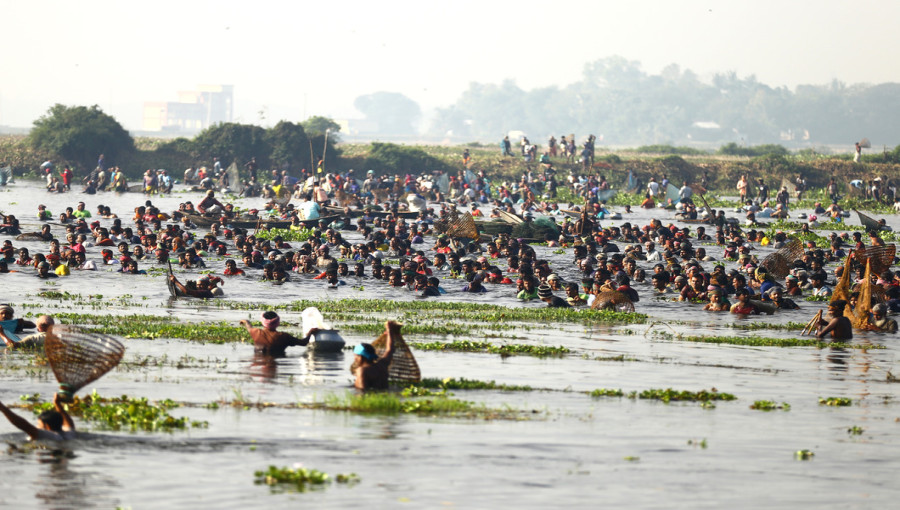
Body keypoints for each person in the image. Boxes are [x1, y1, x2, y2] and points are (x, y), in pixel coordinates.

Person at [0, 393, 76, 441]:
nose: (37, 427)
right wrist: (57, 403)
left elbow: (25, 426)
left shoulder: (49, 435)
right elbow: (68, 423)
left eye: (39, 424)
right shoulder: (68, 433)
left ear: (47, 427)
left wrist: (2, 408)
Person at [239, 311, 312, 357]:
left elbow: (249, 327)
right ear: (277, 323)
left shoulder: (256, 332)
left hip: (258, 359)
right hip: (277, 358)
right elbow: (303, 343)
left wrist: (246, 321)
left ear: (263, 322)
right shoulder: (283, 336)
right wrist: (311, 332)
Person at [353, 321, 400, 390]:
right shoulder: (382, 364)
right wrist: (389, 331)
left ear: (360, 357)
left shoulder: (362, 370)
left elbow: (362, 392)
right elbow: (390, 349)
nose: (354, 358)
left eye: (355, 355)